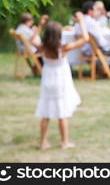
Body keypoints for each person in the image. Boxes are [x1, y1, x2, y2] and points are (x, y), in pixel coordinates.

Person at [32, 12, 89, 150]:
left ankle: (43, 142)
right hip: (60, 81)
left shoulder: (43, 48)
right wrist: (81, 21)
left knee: (45, 113)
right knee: (61, 114)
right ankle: (65, 142)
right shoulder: (63, 48)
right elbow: (85, 38)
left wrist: (40, 25)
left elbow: (32, 40)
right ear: (59, 35)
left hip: (47, 81)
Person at [75, 1, 110, 75]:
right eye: (95, 10)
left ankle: (104, 70)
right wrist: (108, 44)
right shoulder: (91, 22)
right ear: (90, 11)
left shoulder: (78, 22)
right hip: (96, 50)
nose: (97, 12)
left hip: (84, 50)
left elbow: (76, 35)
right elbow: (101, 42)